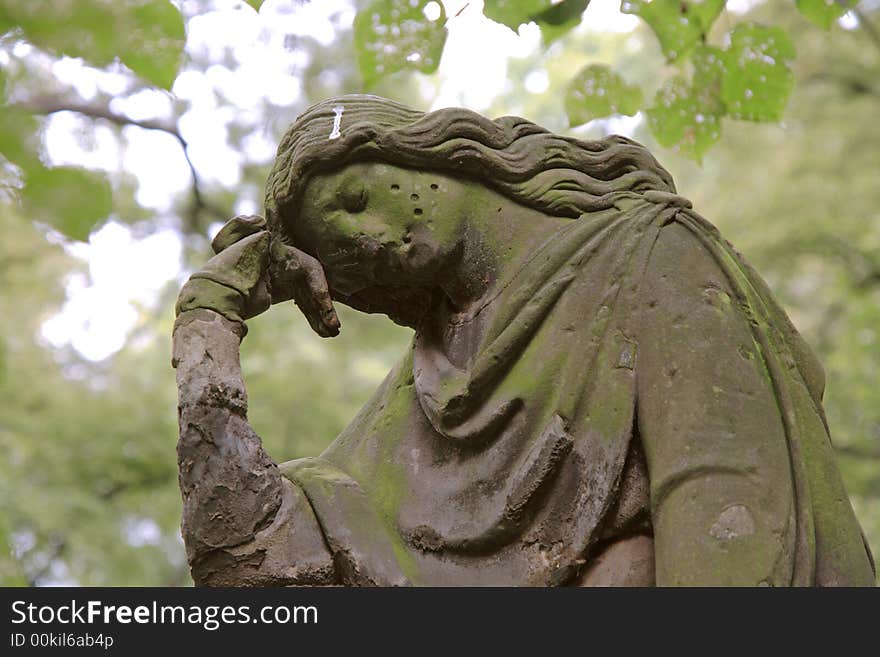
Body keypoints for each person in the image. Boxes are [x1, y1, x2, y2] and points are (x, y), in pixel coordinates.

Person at [172, 95, 875, 586]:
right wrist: (210, 314)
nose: (365, 241)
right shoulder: (410, 407)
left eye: (356, 200)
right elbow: (254, 567)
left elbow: (728, 498)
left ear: (425, 152)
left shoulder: (648, 257)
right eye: (342, 254)